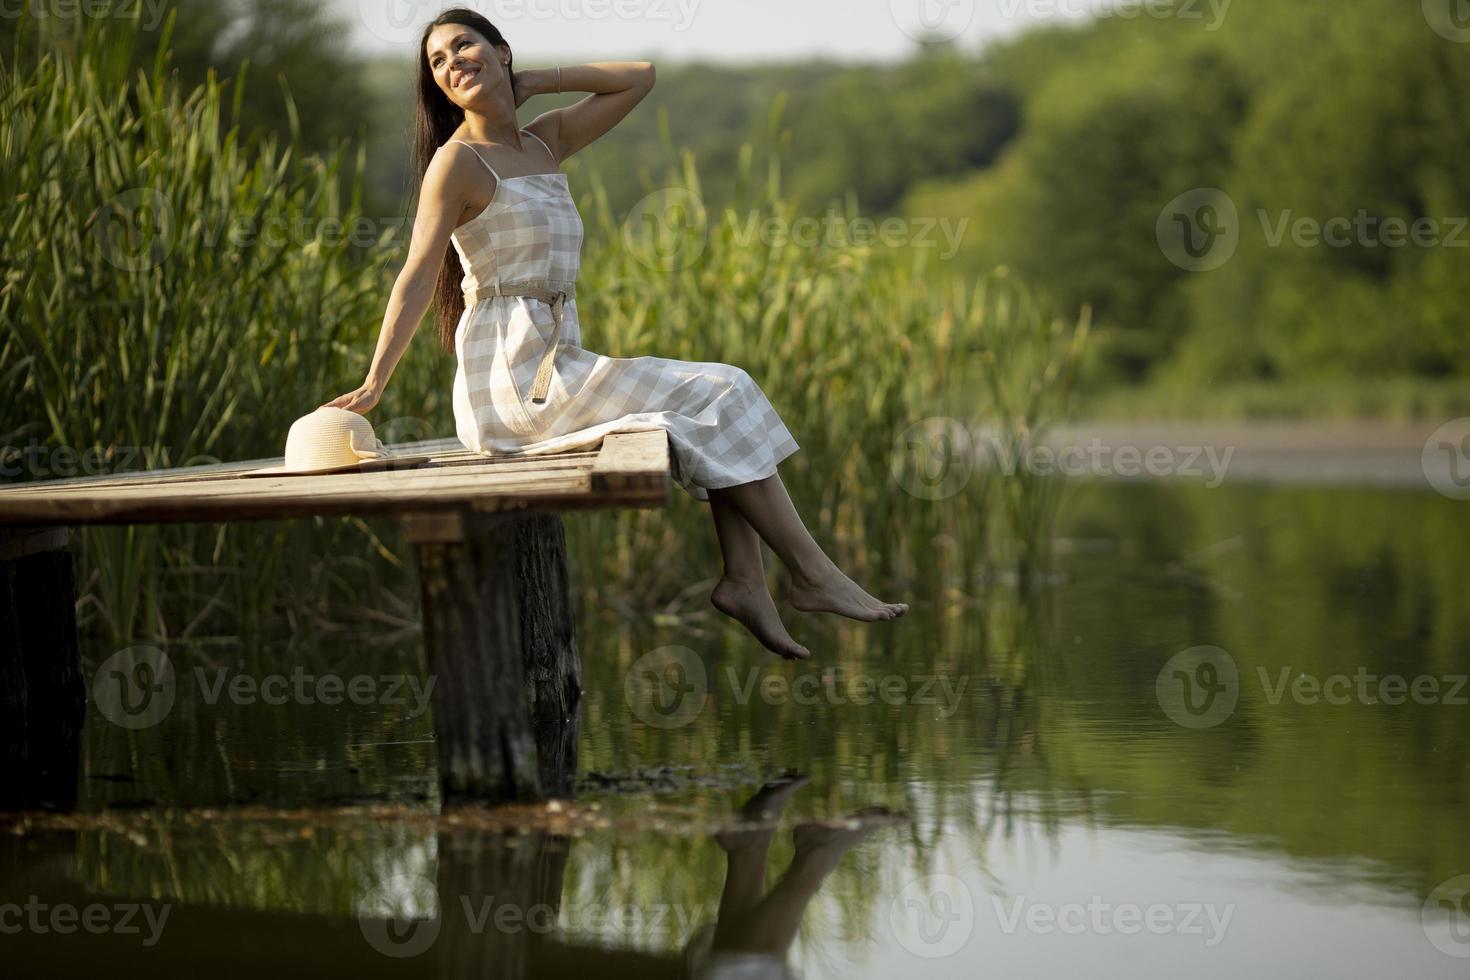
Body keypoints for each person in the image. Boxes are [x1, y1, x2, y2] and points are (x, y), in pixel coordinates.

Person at [323, 9, 907, 660]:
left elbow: (640, 79)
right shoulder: (455, 164)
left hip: (558, 360)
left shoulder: (542, 143)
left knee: (717, 396)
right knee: (721, 389)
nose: (453, 61)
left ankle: (750, 581)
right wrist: (376, 381)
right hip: (511, 381)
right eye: (438, 61)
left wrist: (540, 80)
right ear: (437, 86)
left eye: (465, 45)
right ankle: (807, 573)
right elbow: (414, 276)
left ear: (501, 52)